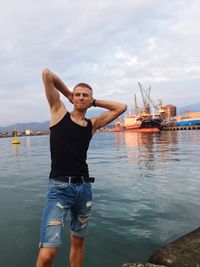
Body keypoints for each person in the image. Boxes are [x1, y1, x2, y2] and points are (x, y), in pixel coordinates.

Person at [36, 68, 127, 267]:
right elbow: (47, 74)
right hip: (59, 190)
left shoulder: (91, 124)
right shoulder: (58, 113)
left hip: (84, 190)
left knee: (78, 242)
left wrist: (95, 102)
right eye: (78, 95)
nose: (80, 97)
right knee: (47, 253)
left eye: (85, 95)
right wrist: (68, 93)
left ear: (90, 99)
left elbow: (121, 107)